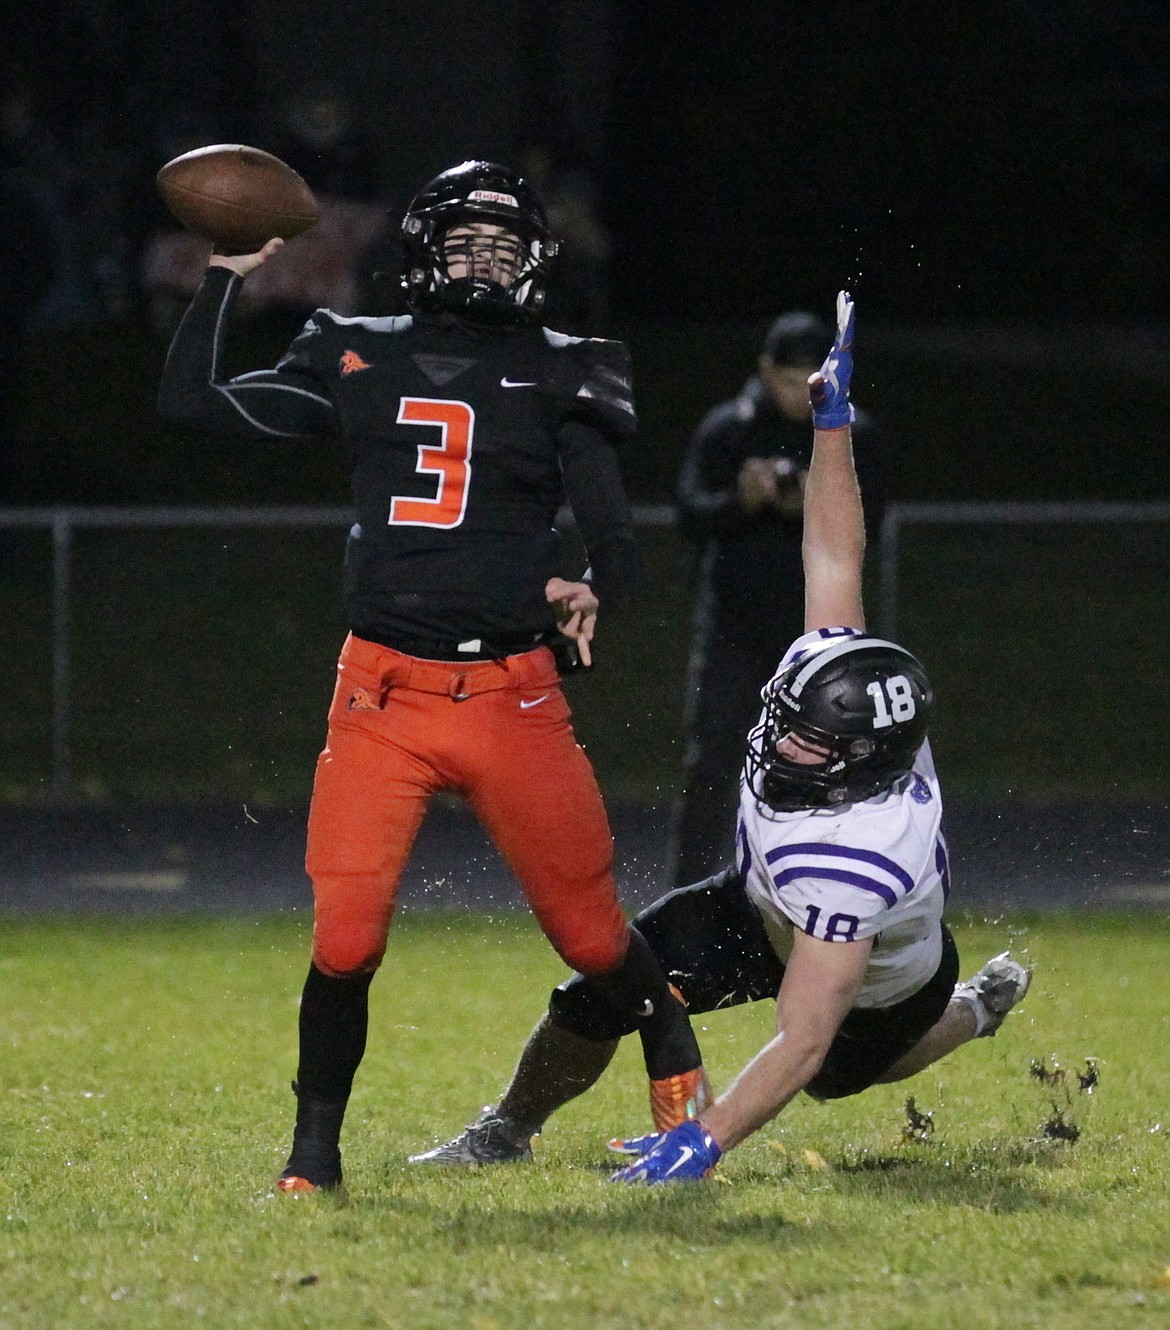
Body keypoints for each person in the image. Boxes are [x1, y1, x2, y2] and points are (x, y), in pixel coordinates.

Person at [157, 160, 709, 1191]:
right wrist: (226, 273)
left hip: (515, 694)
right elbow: (194, 404)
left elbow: (618, 538)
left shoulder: (564, 367)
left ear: (537, 262)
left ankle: (677, 1070)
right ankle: (311, 1159)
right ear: (421, 256)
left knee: (594, 937)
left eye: (505, 246)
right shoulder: (356, 347)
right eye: (467, 244)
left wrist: (593, 583)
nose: (487, 261)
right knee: (346, 937)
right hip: (382, 695)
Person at [414, 291, 1031, 1183]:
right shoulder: (835, 691)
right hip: (763, 901)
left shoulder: (858, 855)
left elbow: (802, 1039)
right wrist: (829, 426)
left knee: (841, 1076)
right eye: (790, 720)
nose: (779, 741)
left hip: (881, 982)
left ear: (857, 765)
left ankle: (972, 1009)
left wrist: (705, 1142)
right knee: (598, 991)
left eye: (808, 740)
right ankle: (506, 1127)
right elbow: (833, 555)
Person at [672, 308, 888, 888]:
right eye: (788, 379)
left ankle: (836, 888)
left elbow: (874, 518)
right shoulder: (730, 428)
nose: (799, 393)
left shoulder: (851, 433)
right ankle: (690, 893)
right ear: (766, 371)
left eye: (810, 378)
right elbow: (690, 514)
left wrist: (814, 505)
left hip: (824, 636)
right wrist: (741, 501)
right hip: (736, 629)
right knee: (715, 763)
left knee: (839, 764)